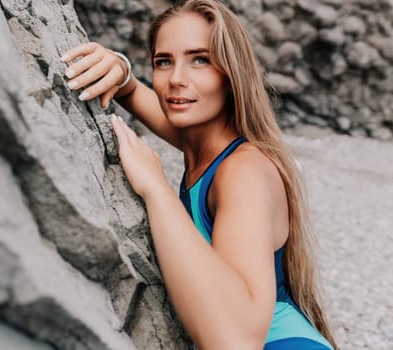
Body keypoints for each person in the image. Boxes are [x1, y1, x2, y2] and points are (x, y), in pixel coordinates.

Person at [61, 0, 337, 349]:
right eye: (164, 62)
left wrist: (156, 189)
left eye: (200, 60)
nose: (177, 79)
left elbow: (237, 341)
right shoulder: (205, 146)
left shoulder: (242, 171)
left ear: (231, 73)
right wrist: (120, 69)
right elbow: (134, 91)